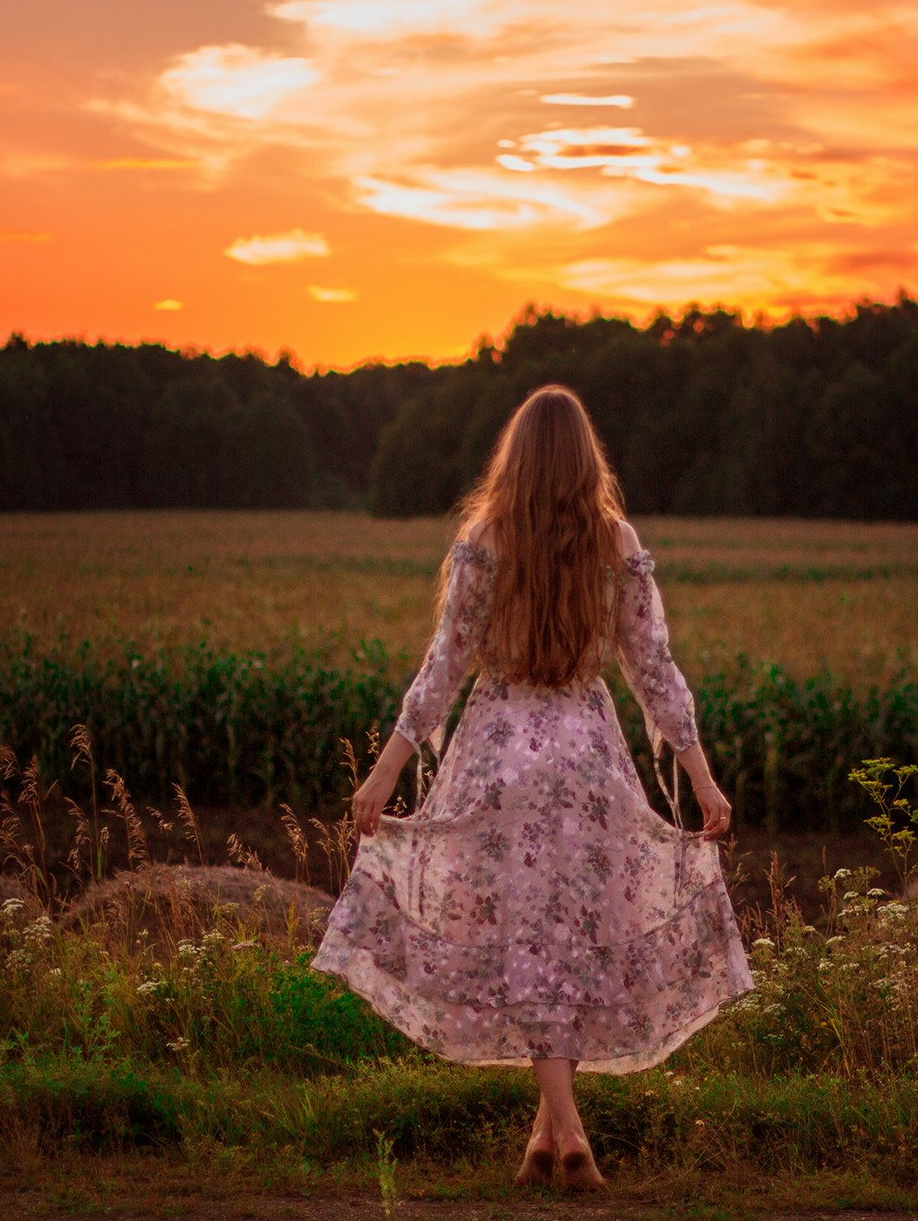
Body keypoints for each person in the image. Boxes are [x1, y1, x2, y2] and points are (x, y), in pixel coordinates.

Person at [311, 385, 753, 1192]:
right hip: (588, 760)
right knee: (566, 942)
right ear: (588, 459)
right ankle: (553, 1137)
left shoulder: (485, 537)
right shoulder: (615, 541)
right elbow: (654, 673)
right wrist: (704, 781)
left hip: (499, 758)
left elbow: (442, 666)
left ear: (514, 457)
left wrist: (384, 773)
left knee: (529, 941)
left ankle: (564, 1135)